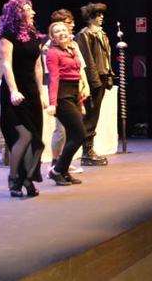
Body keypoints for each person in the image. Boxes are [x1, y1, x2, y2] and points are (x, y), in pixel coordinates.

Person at [0, 0, 47, 197]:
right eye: (28, 9)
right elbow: (6, 64)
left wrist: (41, 91)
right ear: (18, 13)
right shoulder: (7, 35)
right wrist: (13, 90)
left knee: (36, 140)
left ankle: (28, 179)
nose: (33, 12)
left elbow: (37, 66)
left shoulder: (35, 36)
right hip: (14, 91)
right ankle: (15, 179)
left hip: (31, 92)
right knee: (24, 136)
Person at [45, 21, 91, 186]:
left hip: (73, 94)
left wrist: (82, 92)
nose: (62, 33)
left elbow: (77, 73)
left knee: (74, 135)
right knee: (79, 135)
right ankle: (57, 170)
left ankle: (63, 171)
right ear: (52, 37)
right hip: (62, 96)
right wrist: (53, 103)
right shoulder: (53, 53)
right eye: (57, 32)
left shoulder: (72, 49)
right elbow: (54, 78)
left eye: (63, 30)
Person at [75, 2, 112, 166]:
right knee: (90, 115)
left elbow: (106, 57)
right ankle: (86, 152)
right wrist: (94, 82)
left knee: (95, 114)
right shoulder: (85, 34)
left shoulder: (101, 34)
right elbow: (87, 61)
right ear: (90, 17)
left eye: (102, 14)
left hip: (102, 76)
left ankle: (89, 150)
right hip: (93, 79)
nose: (101, 17)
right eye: (98, 15)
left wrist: (109, 75)